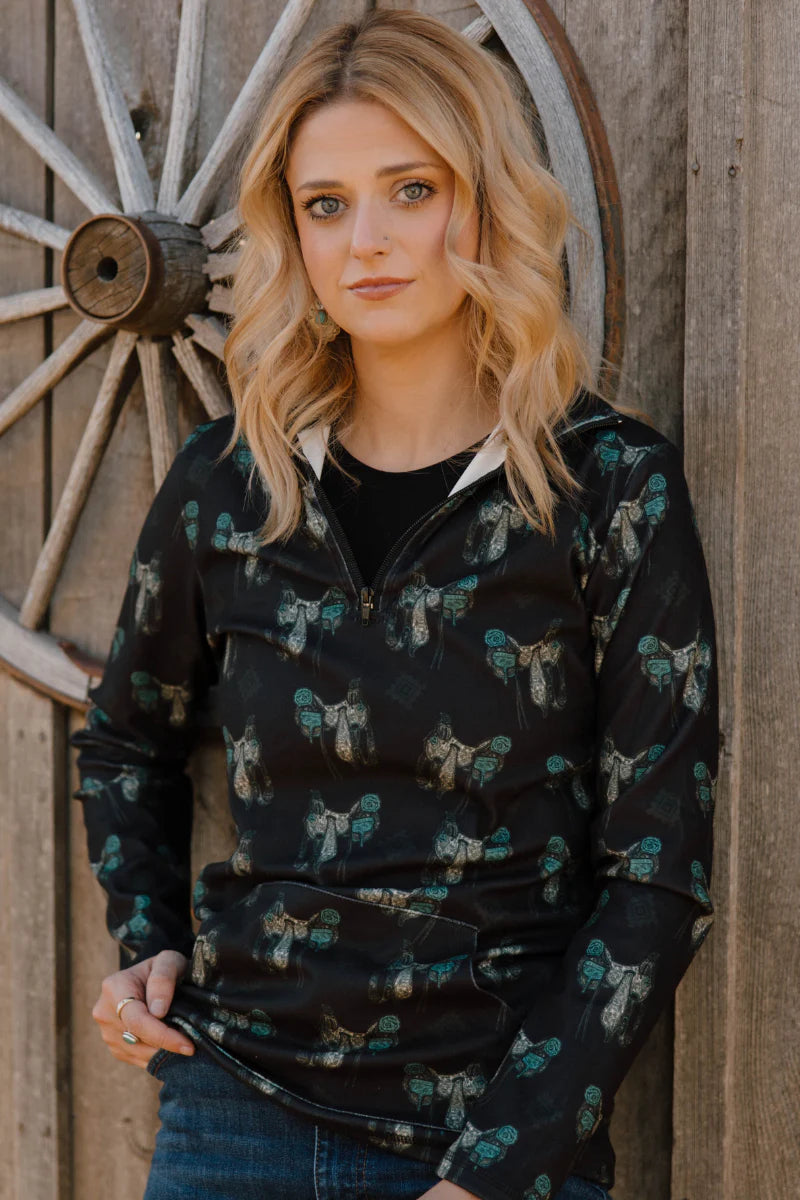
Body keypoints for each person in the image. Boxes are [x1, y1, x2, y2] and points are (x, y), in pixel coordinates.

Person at [70, 10, 718, 1200]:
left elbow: (656, 876)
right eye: (325, 205)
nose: (364, 241)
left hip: (491, 1137)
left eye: (409, 191)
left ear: (484, 204)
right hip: (231, 1121)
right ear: (292, 232)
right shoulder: (229, 485)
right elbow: (123, 739)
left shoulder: (607, 488)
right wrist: (144, 941)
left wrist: (493, 1173)